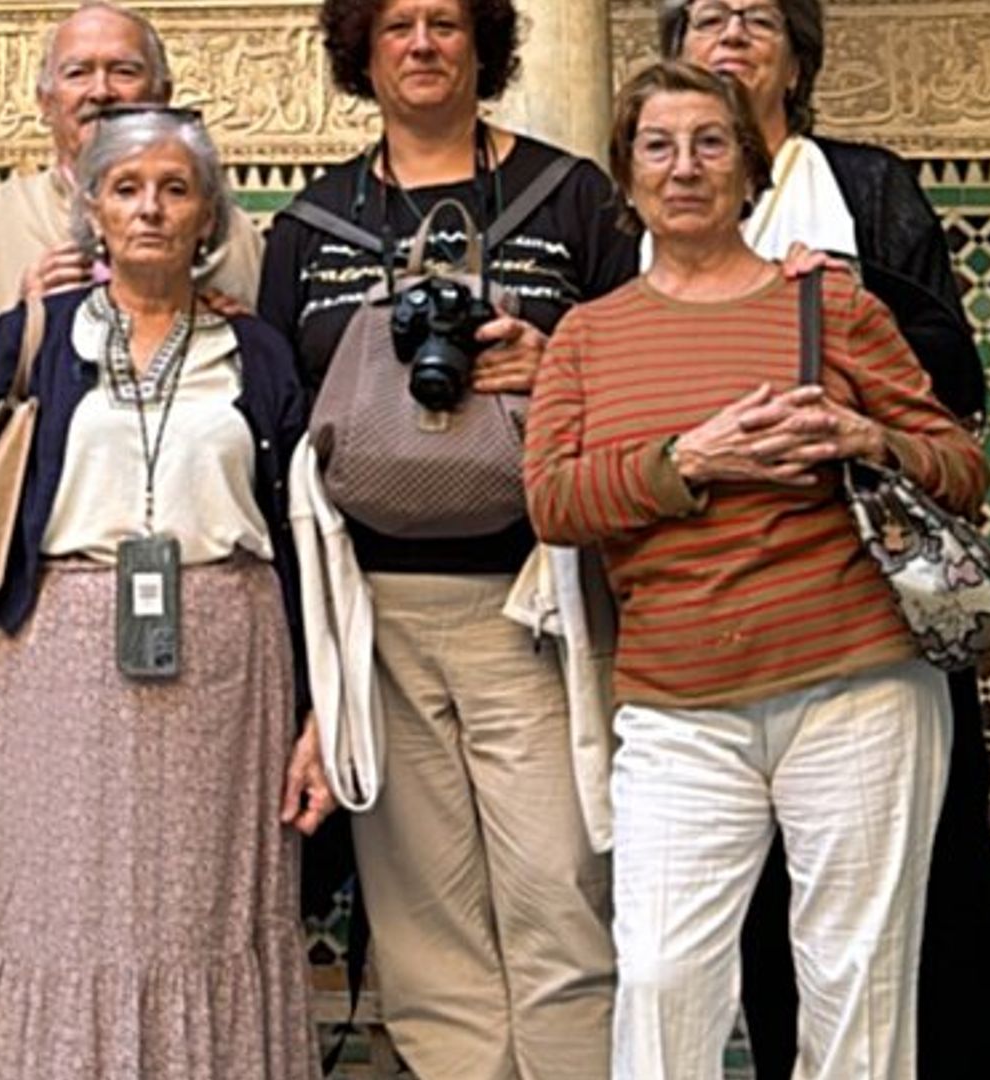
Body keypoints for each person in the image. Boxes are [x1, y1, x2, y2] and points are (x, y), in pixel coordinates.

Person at [526, 60, 990, 1079]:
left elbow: (960, 469)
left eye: (711, 144)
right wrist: (691, 460)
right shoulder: (586, 338)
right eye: (658, 146)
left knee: (855, 985)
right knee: (659, 980)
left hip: (859, 682)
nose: (684, 167)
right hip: (677, 702)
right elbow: (554, 501)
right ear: (627, 175)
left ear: (751, 171)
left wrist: (862, 433)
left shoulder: (832, 306)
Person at [0, 107, 332, 1080]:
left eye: (176, 188)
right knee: (49, 911)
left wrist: (319, 713)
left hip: (226, 668)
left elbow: (300, 541)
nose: (151, 208)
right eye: (127, 188)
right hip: (52, 664)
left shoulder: (258, 356)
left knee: (200, 918)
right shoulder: (27, 338)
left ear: (210, 215)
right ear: (91, 207)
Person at [654, 1, 990, 1074]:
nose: (731, 33)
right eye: (707, 15)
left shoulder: (865, 186)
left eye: (758, 15)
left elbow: (951, 381)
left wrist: (826, 354)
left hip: (870, 596)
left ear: (798, 52)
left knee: (934, 874)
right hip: (710, 605)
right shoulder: (643, 202)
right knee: (768, 905)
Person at [258, 0, 636, 1075]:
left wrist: (553, 359)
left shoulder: (573, 201)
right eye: (397, 26)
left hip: (535, 601)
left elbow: (651, 364)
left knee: (559, 886)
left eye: (445, 21)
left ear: (484, 45)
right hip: (371, 609)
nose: (422, 44)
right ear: (361, 52)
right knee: (424, 917)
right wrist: (306, 675)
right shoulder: (311, 223)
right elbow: (277, 426)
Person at [0, 0, 265, 399]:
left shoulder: (226, 229)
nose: (101, 91)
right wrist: (17, 326)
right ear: (46, 102)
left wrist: (233, 334)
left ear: (162, 94)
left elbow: (271, 377)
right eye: (78, 73)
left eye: (124, 71)